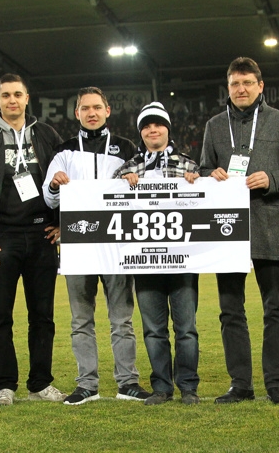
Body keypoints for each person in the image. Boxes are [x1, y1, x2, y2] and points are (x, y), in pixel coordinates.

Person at [199, 57, 279, 404]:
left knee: (275, 307)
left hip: (271, 223)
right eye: (235, 84)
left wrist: (272, 178)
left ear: (261, 86)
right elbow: (203, 169)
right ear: (228, 88)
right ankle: (240, 384)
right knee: (230, 309)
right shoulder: (215, 125)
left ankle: (275, 383)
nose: (241, 89)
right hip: (227, 230)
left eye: (248, 83)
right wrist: (211, 175)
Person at [0, 74, 67, 406]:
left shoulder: (46, 134)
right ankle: (4, 385)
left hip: (41, 235)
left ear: (27, 97)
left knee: (43, 315)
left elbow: (68, 177)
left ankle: (40, 382)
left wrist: (63, 223)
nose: (12, 100)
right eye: (5, 95)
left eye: (17, 94)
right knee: (0, 315)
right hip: (1, 238)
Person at [43, 87, 151, 405]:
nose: (91, 113)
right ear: (77, 113)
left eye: (97, 107)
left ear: (107, 111)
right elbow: (49, 198)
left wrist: (137, 179)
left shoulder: (128, 148)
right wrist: (54, 183)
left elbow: (146, 192)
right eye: (85, 108)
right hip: (79, 246)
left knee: (121, 318)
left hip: (117, 247)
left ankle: (127, 383)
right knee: (81, 320)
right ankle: (87, 385)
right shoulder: (63, 152)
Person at [111, 102, 201, 406]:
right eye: (146, 126)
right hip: (144, 260)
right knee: (153, 330)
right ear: (141, 132)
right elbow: (109, 205)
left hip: (182, 258)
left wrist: (197, 183)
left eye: (158, 124)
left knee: (186, 328)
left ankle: (188, 386)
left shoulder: (190, 165)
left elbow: (206, 203)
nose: (153, 130)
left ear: (167, 129)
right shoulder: (127, 168)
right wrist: (122, 186)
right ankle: (162, 388)